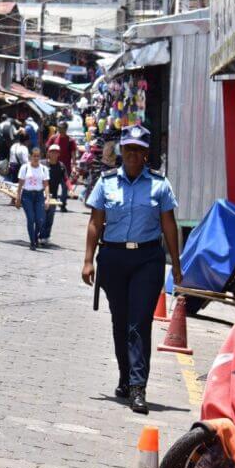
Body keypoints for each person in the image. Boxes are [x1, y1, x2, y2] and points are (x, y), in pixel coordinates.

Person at [82, 125, 182, 414]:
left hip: (147, 260)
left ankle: (139, 388)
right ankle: (125, 378)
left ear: (146, 153)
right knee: (120, 322)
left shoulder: (160, 185)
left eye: (138, 150)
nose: (133, 155)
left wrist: (175, 264)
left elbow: (168, 225)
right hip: (113, 259)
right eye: (128, 149)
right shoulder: (106, 182)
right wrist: (88, 259)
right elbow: (95, 222)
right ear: (121, 151)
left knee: (139, 323)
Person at [15, 148, 50, 250]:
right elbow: (20, 183)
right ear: (30, 157)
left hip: (39, 195)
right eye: (34, 156)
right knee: (31, 218)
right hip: (27, 195)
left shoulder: (44, 169)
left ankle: (35, 237)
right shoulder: (25, 168)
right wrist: (18, 197)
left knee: (40, 220)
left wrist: (47, 198)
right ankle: (32, 242)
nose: (36, 158)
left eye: (38, 156)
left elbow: (46, 184)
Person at [40, 144, 67, 245]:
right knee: (41, 217)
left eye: (56, 152)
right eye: (52, 151)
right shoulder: (42, 164)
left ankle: (46, 237)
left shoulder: (61, 166)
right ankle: (40, 235)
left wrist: (71, 188)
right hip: (40, 195)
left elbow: (66, 179)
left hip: (53, 197)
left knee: (50, 218)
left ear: (59, 154)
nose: (54, 154)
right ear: (48, 153)